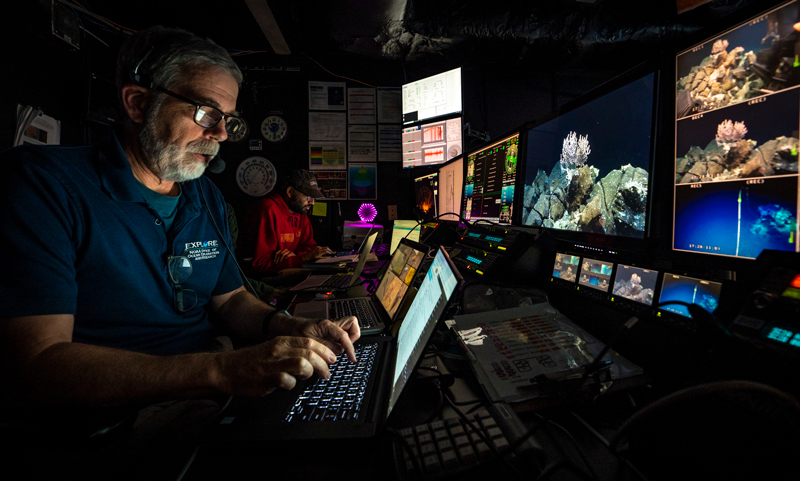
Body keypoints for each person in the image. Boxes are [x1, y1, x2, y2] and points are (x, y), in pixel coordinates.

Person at [0, 26, 358, 479]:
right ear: (137, 103)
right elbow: (34, 365)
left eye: (229, 118)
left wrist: (294, 326)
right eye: (208, 113)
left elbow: (230, 300)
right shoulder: (43, 186)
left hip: (211, 393)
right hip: (120, 422)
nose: (223, 133)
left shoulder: (203, 195)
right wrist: (222, 370)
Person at [238, 169, 334, 274]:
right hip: (261, 277)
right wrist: (301, 258)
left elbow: (309, 247)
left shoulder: (300, 212)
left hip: (284, 270)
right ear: (290, 192)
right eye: (309, 196)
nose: (312, 202)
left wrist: (295, 257)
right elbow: (260, 265)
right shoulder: (267, 211)